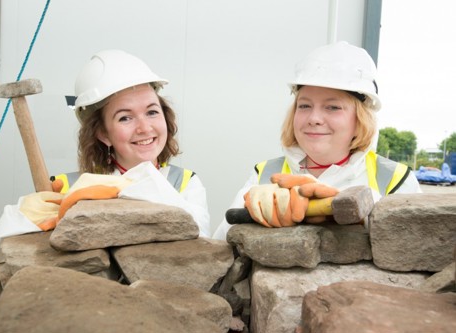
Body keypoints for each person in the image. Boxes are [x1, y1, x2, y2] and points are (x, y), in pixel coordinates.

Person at [213, 41, 421, 239]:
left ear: (360, 120)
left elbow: (419, 249)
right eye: (304, 106)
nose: (314, 119)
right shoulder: (263, 174)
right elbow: (222, 246)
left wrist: (361, 208)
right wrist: (251, 217)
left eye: (333, 107)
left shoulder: (395, 180)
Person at [51, 49, 210, 237]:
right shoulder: (64, 188)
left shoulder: (185, 184)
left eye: (152, 112)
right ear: (103, 133)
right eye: (125, 118)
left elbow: (198, 243)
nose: (144, 128)